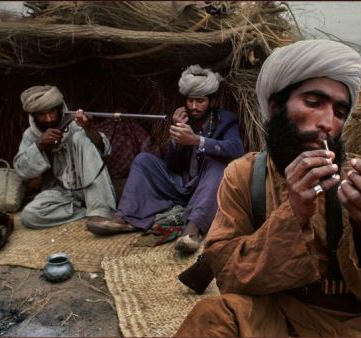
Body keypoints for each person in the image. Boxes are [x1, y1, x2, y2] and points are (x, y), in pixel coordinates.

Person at [175, 40, 361, 337]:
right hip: (278, 318)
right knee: (212, 318)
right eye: (314, 103)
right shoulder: (244, 175)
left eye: (340, 112)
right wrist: (293, 212)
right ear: (276, 107)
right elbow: (228, 274)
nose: (328, 124)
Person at [87, 65, 245, 253]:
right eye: (190, 100)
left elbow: (237, 150)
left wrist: (196, 140)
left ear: (212, 101)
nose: (194, 107)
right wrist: (177, 141)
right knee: (143, 160)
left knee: (217, 164)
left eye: (200, 101)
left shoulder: (225, 120)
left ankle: (193, 229)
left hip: (205, 188)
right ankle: (125, 218)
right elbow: (172, 165)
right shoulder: (184, 119)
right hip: (181, 183)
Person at [14, 85, 117, 228]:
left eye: (52, 112)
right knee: (29, 216)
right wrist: (40, 144)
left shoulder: (76, 124)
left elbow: (105, 150)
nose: (49, 118)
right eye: (42, 115)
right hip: (61, 193)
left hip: (89, 187)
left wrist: (89, 128)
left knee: (80, 137)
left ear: (59, 109)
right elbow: (22, 171)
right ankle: (84, 211)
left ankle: (100, 212)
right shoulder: (31, 135)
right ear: (34, 116)